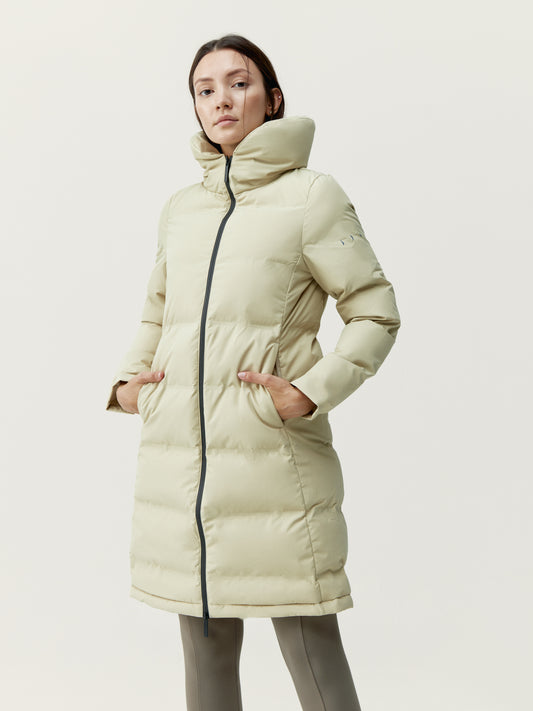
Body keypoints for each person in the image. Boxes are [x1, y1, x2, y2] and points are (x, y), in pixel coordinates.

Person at [105, 33, 401, 711]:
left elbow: (374, 311)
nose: (221, 100)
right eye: (204, 89)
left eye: (238, 83)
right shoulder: (182, 209)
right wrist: (128, 386)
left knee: (310, 648)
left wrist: (309, 393)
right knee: (204, 652)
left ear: (272, 99)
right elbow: (157, 314)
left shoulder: (313, 196)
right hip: (182, 469)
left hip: (274, 461)